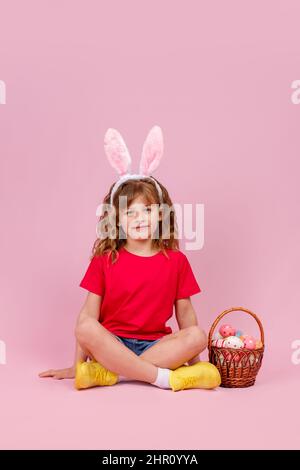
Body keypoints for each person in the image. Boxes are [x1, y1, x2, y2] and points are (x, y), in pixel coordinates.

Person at [39, 126, 221, 391]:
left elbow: (186, 316)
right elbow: (87, 316)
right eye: (130, 213)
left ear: (160, 214)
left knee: (197, 335)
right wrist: (76, 365)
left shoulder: (176, 261)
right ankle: (162, 378)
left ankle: (112, 372)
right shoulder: (105, 259)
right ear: (117, 219)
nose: (139, 219)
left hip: (157, 345)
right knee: (86, 327)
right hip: (112, 342)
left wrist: (196, 363)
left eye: (146, 210)